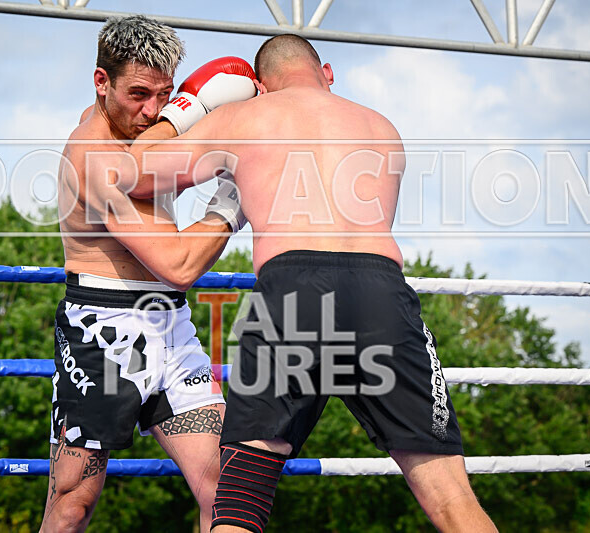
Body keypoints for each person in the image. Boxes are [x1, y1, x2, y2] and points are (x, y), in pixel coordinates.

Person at [124, 35, 498, 532]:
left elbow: (137, 172)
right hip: (379, 293)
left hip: (291, 293)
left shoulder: (244, 119)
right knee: (452, 499)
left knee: (239, 504)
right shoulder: (382, 127)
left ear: (258, 86)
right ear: (328, 72)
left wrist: (186, 110)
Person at [40, 16, 252, 533]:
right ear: (101, 81)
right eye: (138, 93)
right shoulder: (94, 156)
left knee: (226, 490)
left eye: (166, 95)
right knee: (74, 502)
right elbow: (179, 265)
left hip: (170, 327)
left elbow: (205, 155)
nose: (152, 111)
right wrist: (236, 198)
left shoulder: (150, 139)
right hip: (102, 331)